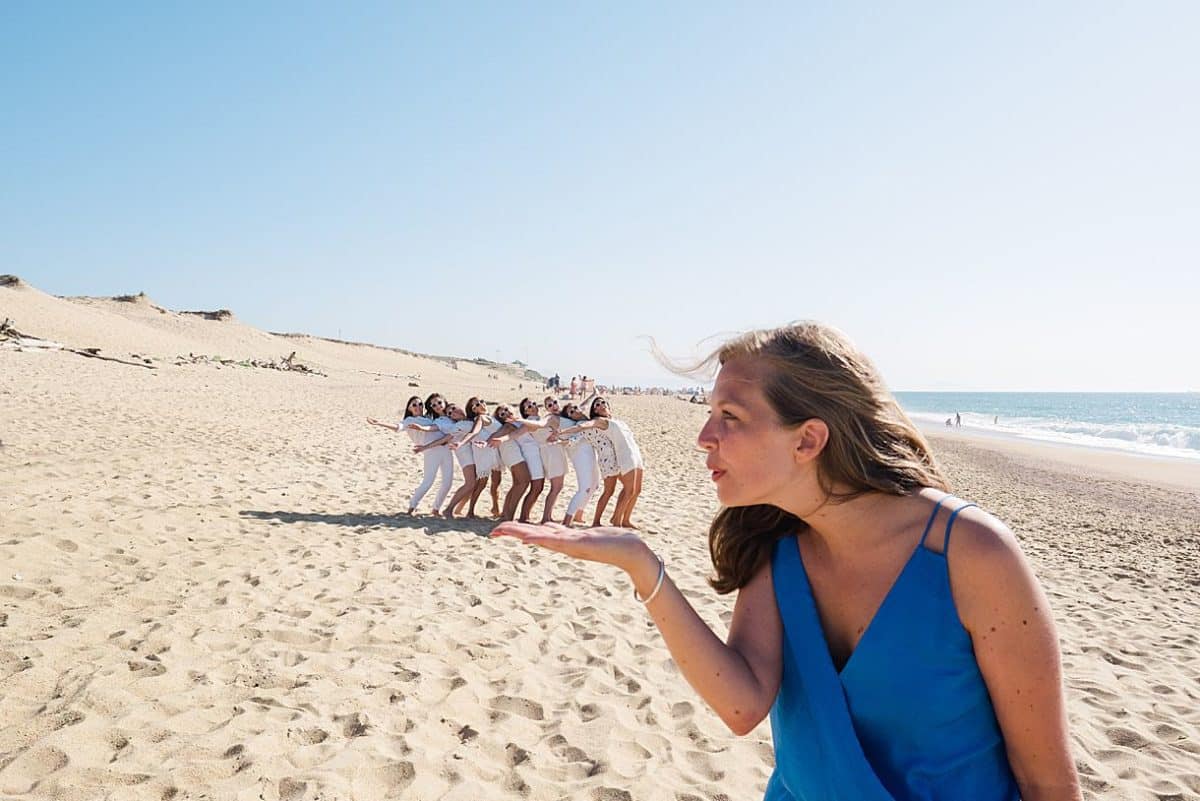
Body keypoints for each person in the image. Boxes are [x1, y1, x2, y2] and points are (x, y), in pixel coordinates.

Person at [492, 322, 1080, 799]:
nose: (704, 435)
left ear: (808, 440)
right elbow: (743, 705)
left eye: (731, 416)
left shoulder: (971, 553)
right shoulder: (778, 547)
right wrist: (643, 566)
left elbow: (1047, 781)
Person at [553, 396, 644, 528]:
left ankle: (622, 519)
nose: (601, 405)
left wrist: (593, 394)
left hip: (619, 457)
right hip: (608, 460)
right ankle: (605, 521)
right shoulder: (592, 422)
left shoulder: (612, 422)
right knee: (611, 490)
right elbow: (578, 435)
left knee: (628, 490)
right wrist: (562, 435)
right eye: (597, 404)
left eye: (603, 402)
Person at [367, 393, 454, 515]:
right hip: (431, 452)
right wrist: (379, 423)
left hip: (446, 450)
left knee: (448, 482)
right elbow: (397, 427)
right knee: (428, 481)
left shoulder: (429, 418)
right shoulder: (409, 420)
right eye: (414, 405)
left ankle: (436, 509)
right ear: (409, 408)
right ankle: (411, 507)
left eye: (420, 404)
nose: (418, 406)